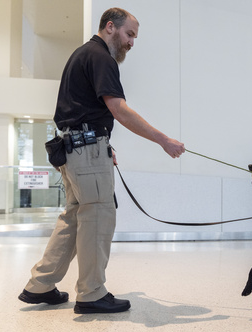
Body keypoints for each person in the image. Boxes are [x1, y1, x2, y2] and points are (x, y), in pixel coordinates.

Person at [18, 7, 185, 314]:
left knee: (74, 216)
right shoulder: (101, 57)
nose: (131, 43)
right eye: (129, 34)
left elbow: (85, 110)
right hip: (86, 150)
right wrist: (164, 140)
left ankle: (40, 285)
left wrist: (102, 142)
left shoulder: (82, 54)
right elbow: (119, 109)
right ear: (110, 27)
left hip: (73, 148)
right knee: (97, 216)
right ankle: (92, 293)